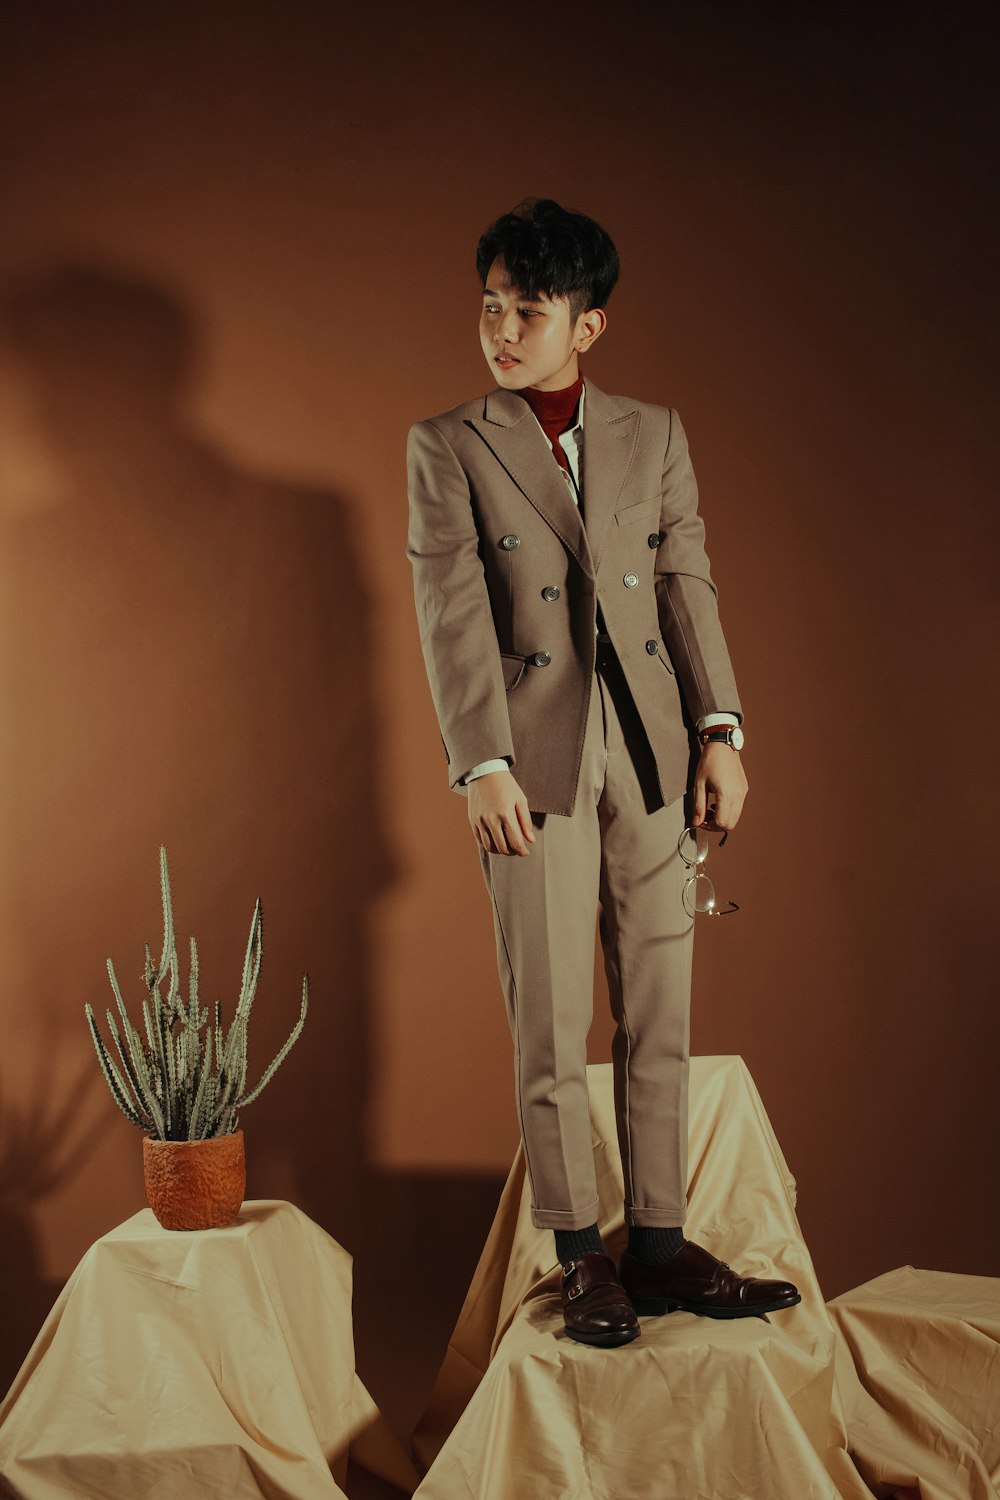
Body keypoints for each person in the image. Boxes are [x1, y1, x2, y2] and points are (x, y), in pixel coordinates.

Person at [406, 198, 799, 1347]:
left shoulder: (654, 433)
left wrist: (722, 732)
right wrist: (477, 759)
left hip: (657, 760)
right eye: (490, 304)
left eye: (528, 309)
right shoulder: (448, 444)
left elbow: (688, 585)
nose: (501, 328)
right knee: (552, 1018)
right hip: (530, 766)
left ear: (589, 324)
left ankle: (663, 1248)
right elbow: (451, 613)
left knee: (661, 1012)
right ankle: (582, 1256)